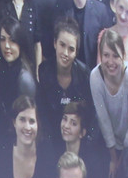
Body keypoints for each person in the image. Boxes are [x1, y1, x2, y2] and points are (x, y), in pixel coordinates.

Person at [90, 28, 128, 178]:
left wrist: (121, 159)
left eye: (115, 55)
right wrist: (113, 158)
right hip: (111, 140)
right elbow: (103, 119)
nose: (110, 61)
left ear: (123, 56)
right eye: (106, 55)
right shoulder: (95, 77)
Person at [44, 0, 112, 71]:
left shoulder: (102, 11)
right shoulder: (59, 7)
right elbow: (51, 44)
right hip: (65, 75)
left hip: (92, 77)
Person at [37, 17, 91, 155]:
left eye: (71, 49)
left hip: (77, 143)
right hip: (51, 140)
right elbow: (42, 112)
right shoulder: (43, 70)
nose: (65, 53)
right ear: (55, 43)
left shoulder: (85, 74)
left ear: (76, 52)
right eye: (62, 45)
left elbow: (89, 116)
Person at [0, 16, 37, 154]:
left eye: (12, 40)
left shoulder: (25, 79)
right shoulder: (3, 68)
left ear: (20, 43)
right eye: (3, 39)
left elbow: (29, 122)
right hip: (4, 131)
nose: (6, 46)